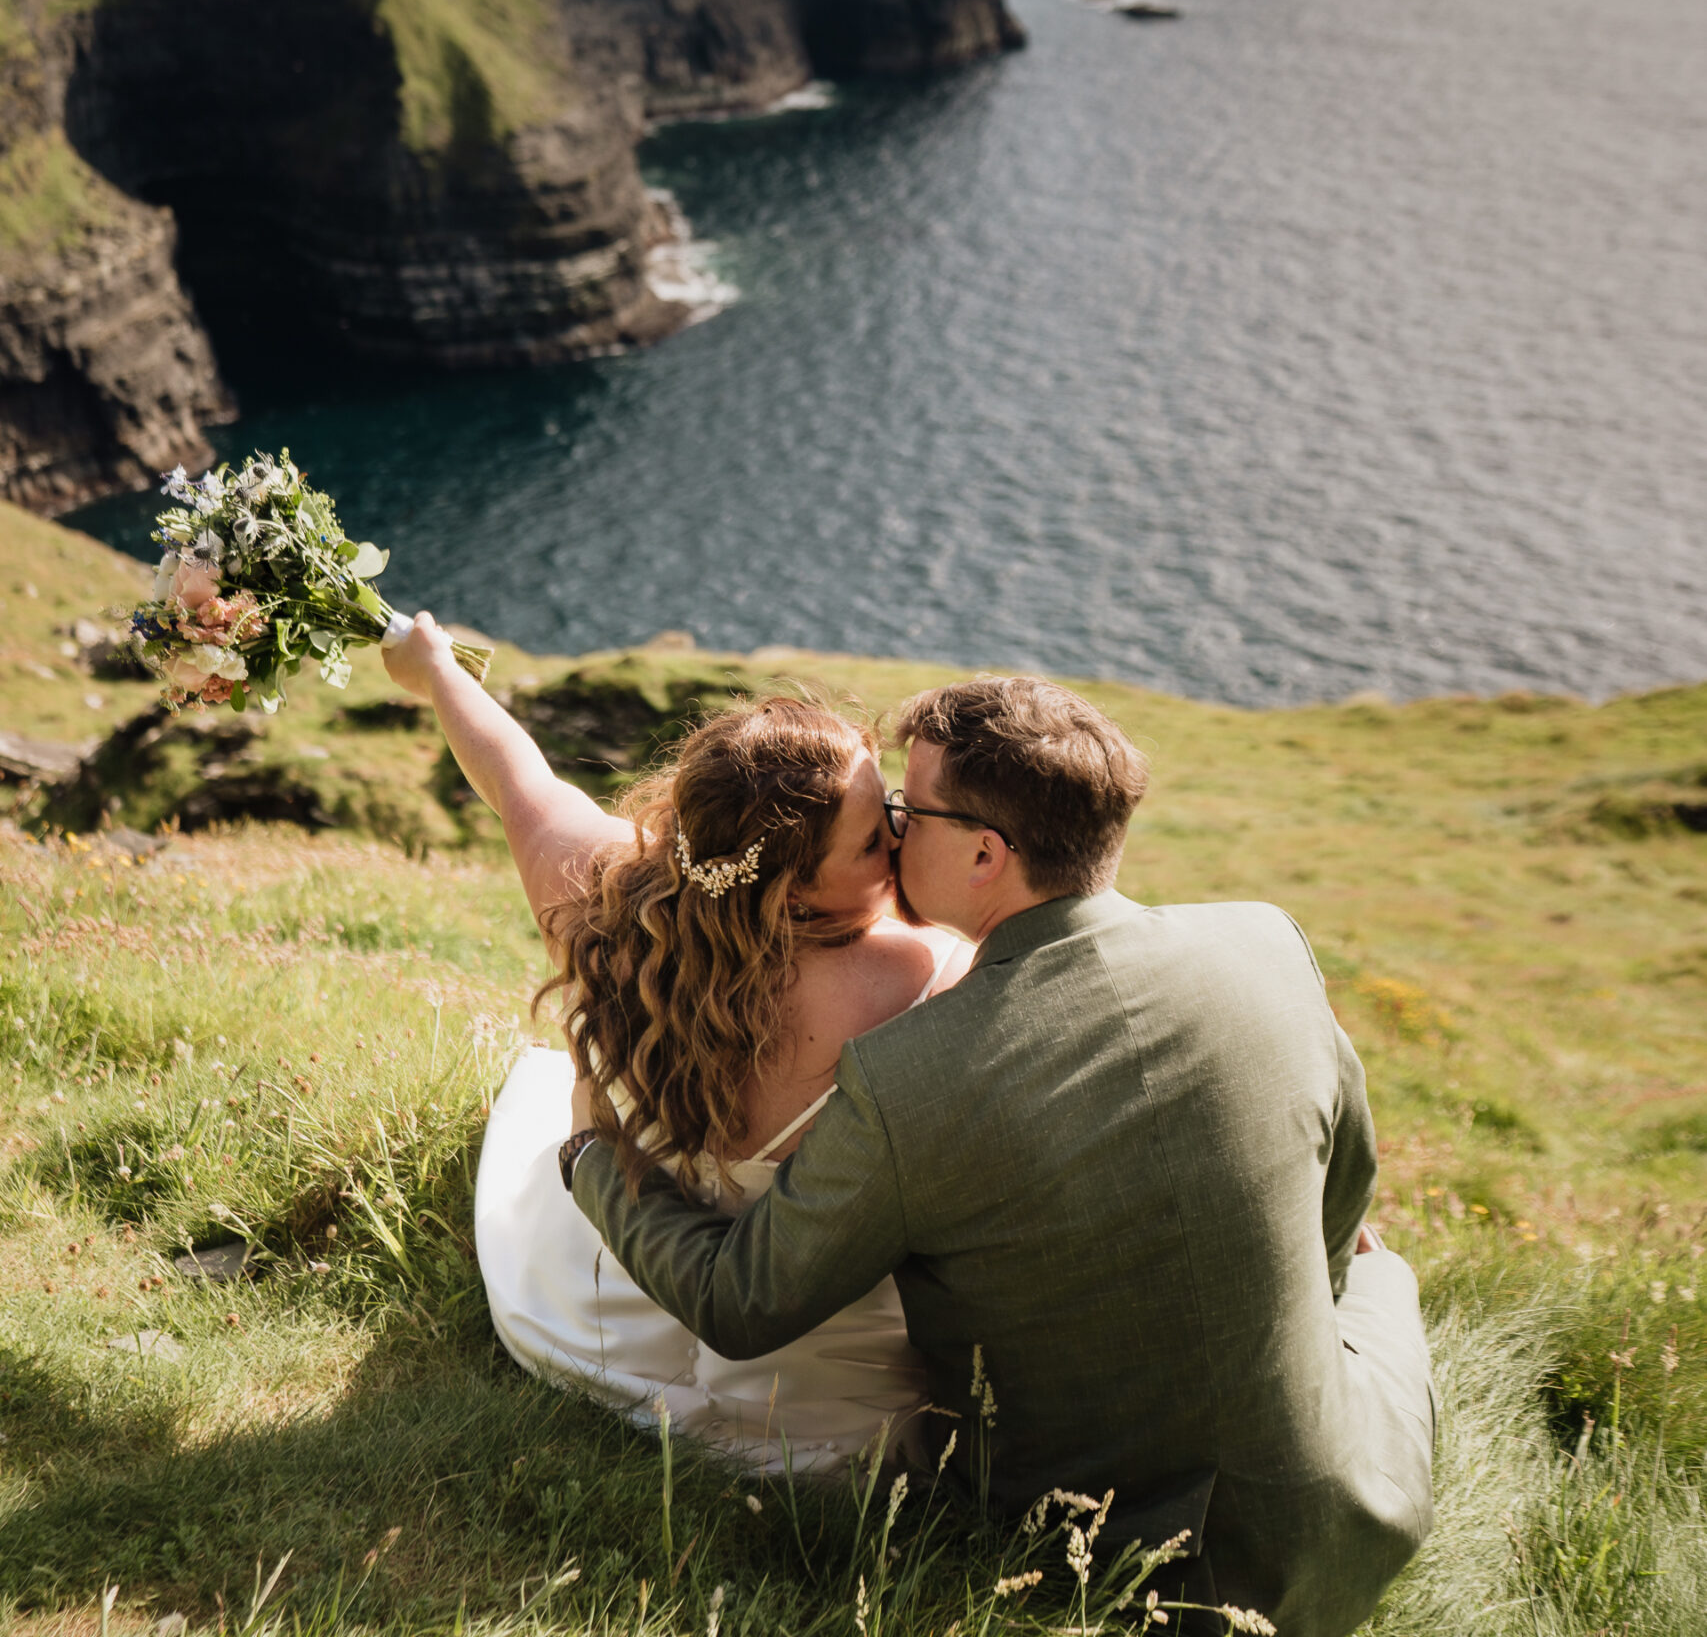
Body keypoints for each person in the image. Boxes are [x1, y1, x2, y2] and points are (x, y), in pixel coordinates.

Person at [568, 673, 1436, 1637]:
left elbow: (742, 1303)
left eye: (908, 811)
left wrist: (587, 1161)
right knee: (1375, 1266)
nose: (892, 833)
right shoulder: (1265, 940)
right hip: (1359, 1507)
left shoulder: (911, 1075)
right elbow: (1345, 1191)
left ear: (984, 852)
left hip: (1089, 1570)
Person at [381, 612, 968, 1473]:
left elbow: (513, 776)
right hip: (827, 1424)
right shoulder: (931, 975)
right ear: (793, 885)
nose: (898, 835)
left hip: (602, 1338)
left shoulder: (611, 908)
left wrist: (434, 669)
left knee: (554, 1098)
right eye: (874, 836)